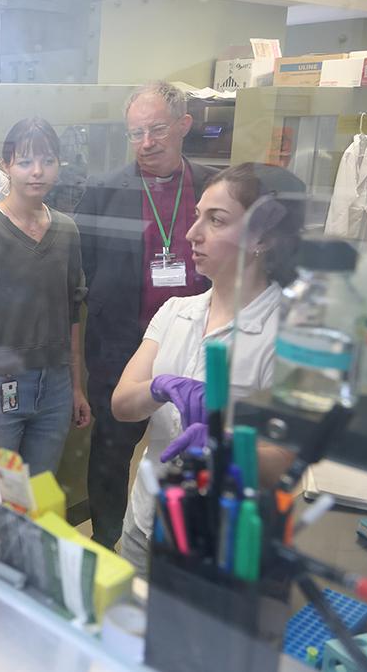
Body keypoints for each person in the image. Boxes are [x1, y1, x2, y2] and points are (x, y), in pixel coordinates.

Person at [111, 162, 303, 574]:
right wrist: (159, 387)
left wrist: (224, 445)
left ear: (263, 238)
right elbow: (123, 404)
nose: (192, 233)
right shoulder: (177, 310)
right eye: (197, 215)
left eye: (215, 220)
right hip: (144, 522)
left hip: (216, 545)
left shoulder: (287, 333)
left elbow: (285, 461)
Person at [75, 81, 218, 549]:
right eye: (135, 133)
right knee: (111, 456)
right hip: (121, 349)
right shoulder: (102, 193)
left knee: (191, 447)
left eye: (156, 130)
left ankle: (182, 547)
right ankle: (108, 545)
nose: (146, 143)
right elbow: (85, 272)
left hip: (195, 345)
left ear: (184, 126)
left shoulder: (215, 188)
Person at [0, 117, 91, 480]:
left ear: (59, 165)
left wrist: (75, 387)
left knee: (37, 496)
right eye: (26, 161)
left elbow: (72, 314)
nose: (37, 172)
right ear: (8, 164)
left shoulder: (66, 231)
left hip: (55, 386)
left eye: (48, 161)